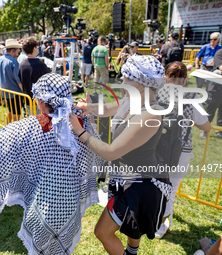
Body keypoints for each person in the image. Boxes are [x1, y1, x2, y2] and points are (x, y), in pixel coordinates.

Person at [0, 73, 103, 255]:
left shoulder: (27, 129)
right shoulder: (82, 127)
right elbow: (96, 158)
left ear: (39, 101)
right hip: (69, 208)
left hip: (42, 212)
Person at [70, 55, 172, 255]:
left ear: (142, 84)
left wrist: (79, 131)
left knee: (102, 231)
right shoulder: (132, 98)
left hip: (140, 185)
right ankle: (132, 251)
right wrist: (87, 108)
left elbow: (111, 152)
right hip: (125, 178)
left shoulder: (151, 114)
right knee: (132, 224)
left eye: (127, 77)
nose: (122, 81)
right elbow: (109, 109)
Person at [155, 61, 211, 238]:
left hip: (154, 148)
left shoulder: (155, 94)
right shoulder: (191, 97)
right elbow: (206, 126)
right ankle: (160, 226)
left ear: (165, 76)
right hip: (180, 151)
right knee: (170, 190)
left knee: (153, 185)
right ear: (185, 79)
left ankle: (148, 218)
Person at [0, 39, 23, 123]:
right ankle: (15, 130)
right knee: (16, 112)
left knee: (10, 109)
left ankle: (7, 126)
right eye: (18, 50)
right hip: (15, 92)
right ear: (13, 50)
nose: (18, 52)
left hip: (5, 91)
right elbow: (18, 80)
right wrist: (24, 91)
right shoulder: (14, 61)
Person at [18, 37, 49, 114]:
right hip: (40, 101)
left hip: (28, 100)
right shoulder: (41, 65)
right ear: (34, 48)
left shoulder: (21, 65)